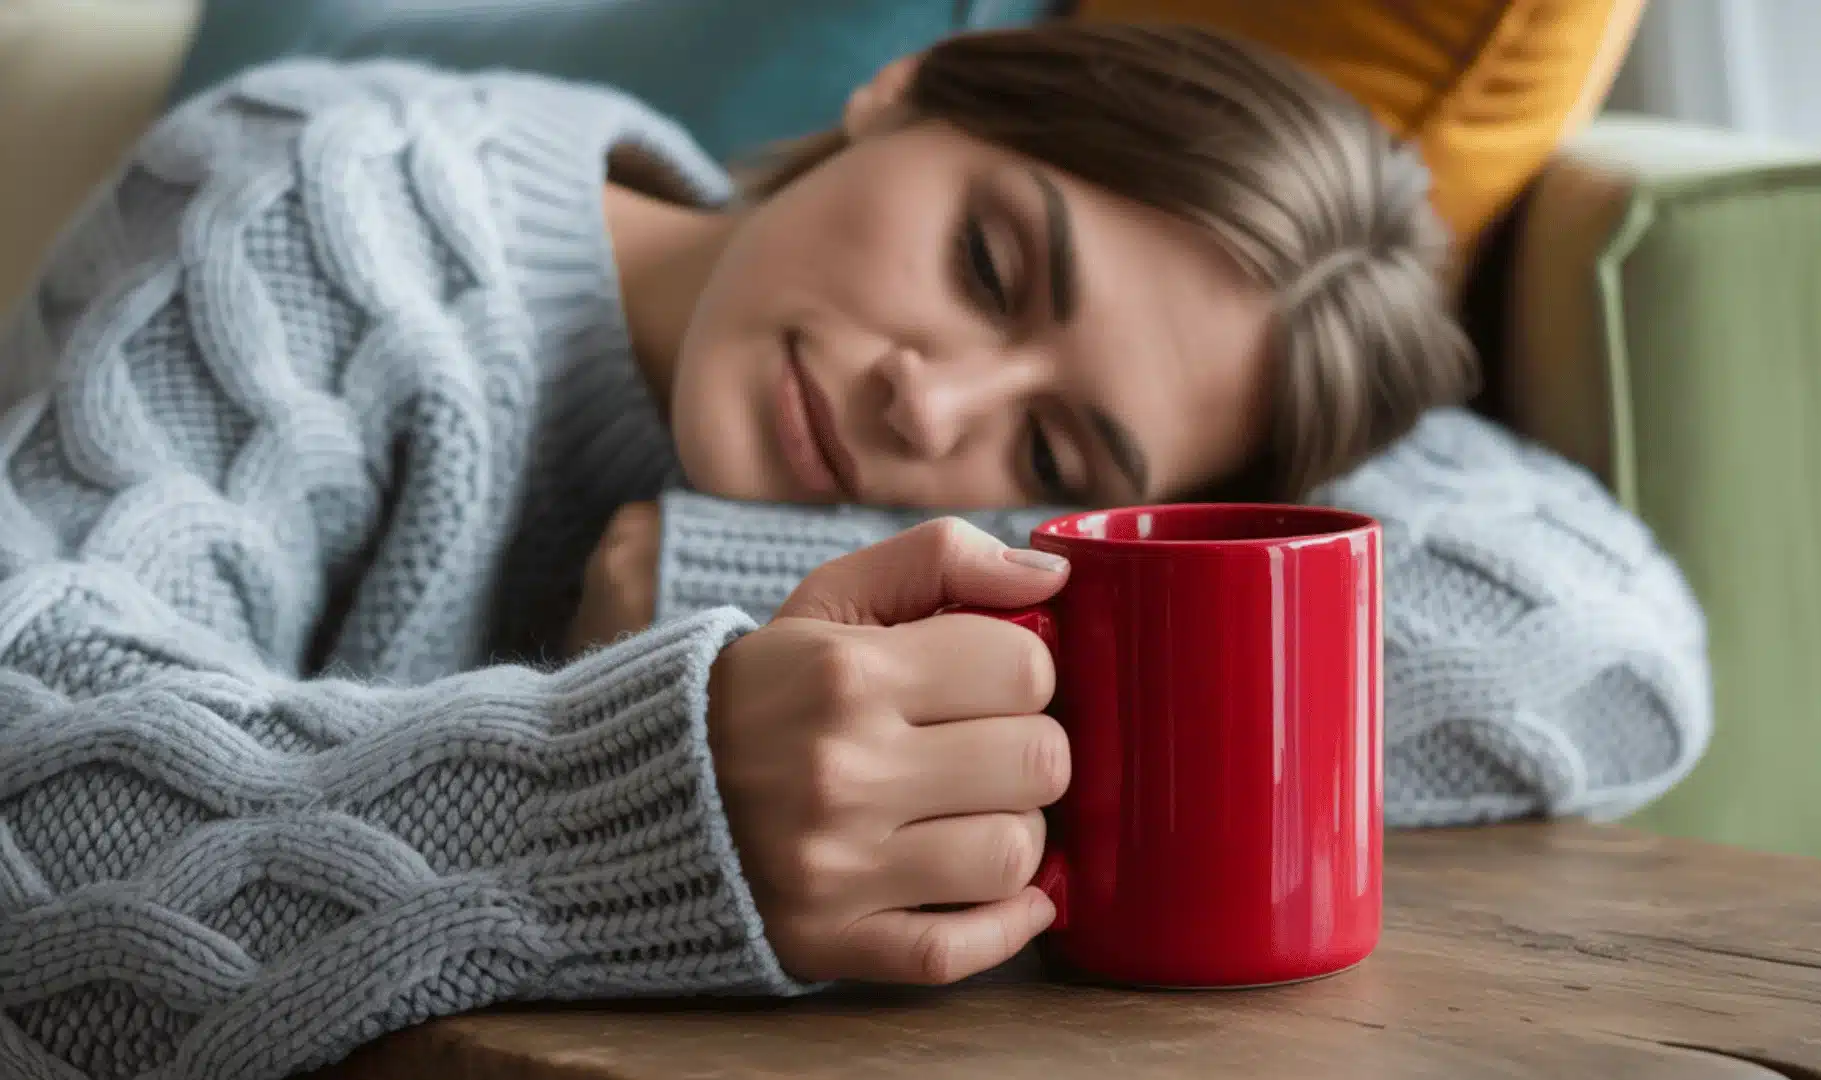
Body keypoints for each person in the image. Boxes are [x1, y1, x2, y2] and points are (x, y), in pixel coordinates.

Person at [0, 21, 1709, 1080]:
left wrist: (716, 585)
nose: (929, 396)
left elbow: (1611, 642)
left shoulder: (979, 455)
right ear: (898, 92)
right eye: (989, 263)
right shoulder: (336, 212)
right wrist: (645, 796)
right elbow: (29, 788)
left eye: (1051, 454)